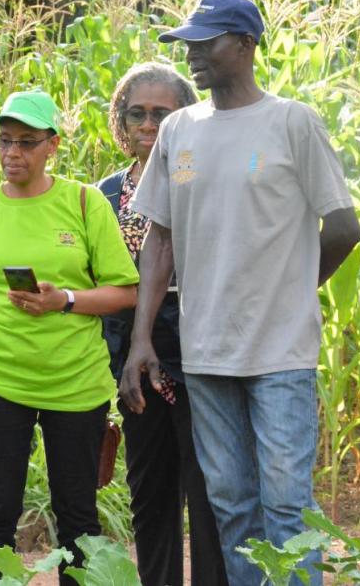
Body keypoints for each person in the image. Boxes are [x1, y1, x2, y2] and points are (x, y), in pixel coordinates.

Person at [123, 0, 360, 585]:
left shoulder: (291, 122)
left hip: (281, 353)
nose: (195, 55)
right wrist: (141, 340)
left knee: (285, 505)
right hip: (206, 355)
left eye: (208, 43)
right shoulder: (179, 129)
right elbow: (159, 241)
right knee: (231, 503)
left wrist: (294, 290)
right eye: (189, 46)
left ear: (247, 45)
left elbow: (344, 226)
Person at [0, 90, 138, 584]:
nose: (12, 153)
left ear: (52, 145)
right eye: (5, 140)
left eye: (26, 142)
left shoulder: (84, 202)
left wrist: (64, 300)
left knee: (78, 520)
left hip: (75, 384)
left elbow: (124, 291)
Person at [98, 63, 226, 586]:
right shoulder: (104, 194)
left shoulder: (204, 181)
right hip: (131, 348)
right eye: (137, 113)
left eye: (162, 114)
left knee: (208, 489)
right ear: (121, 121)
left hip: (199, 344)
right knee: (149, 488)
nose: (148, 124)